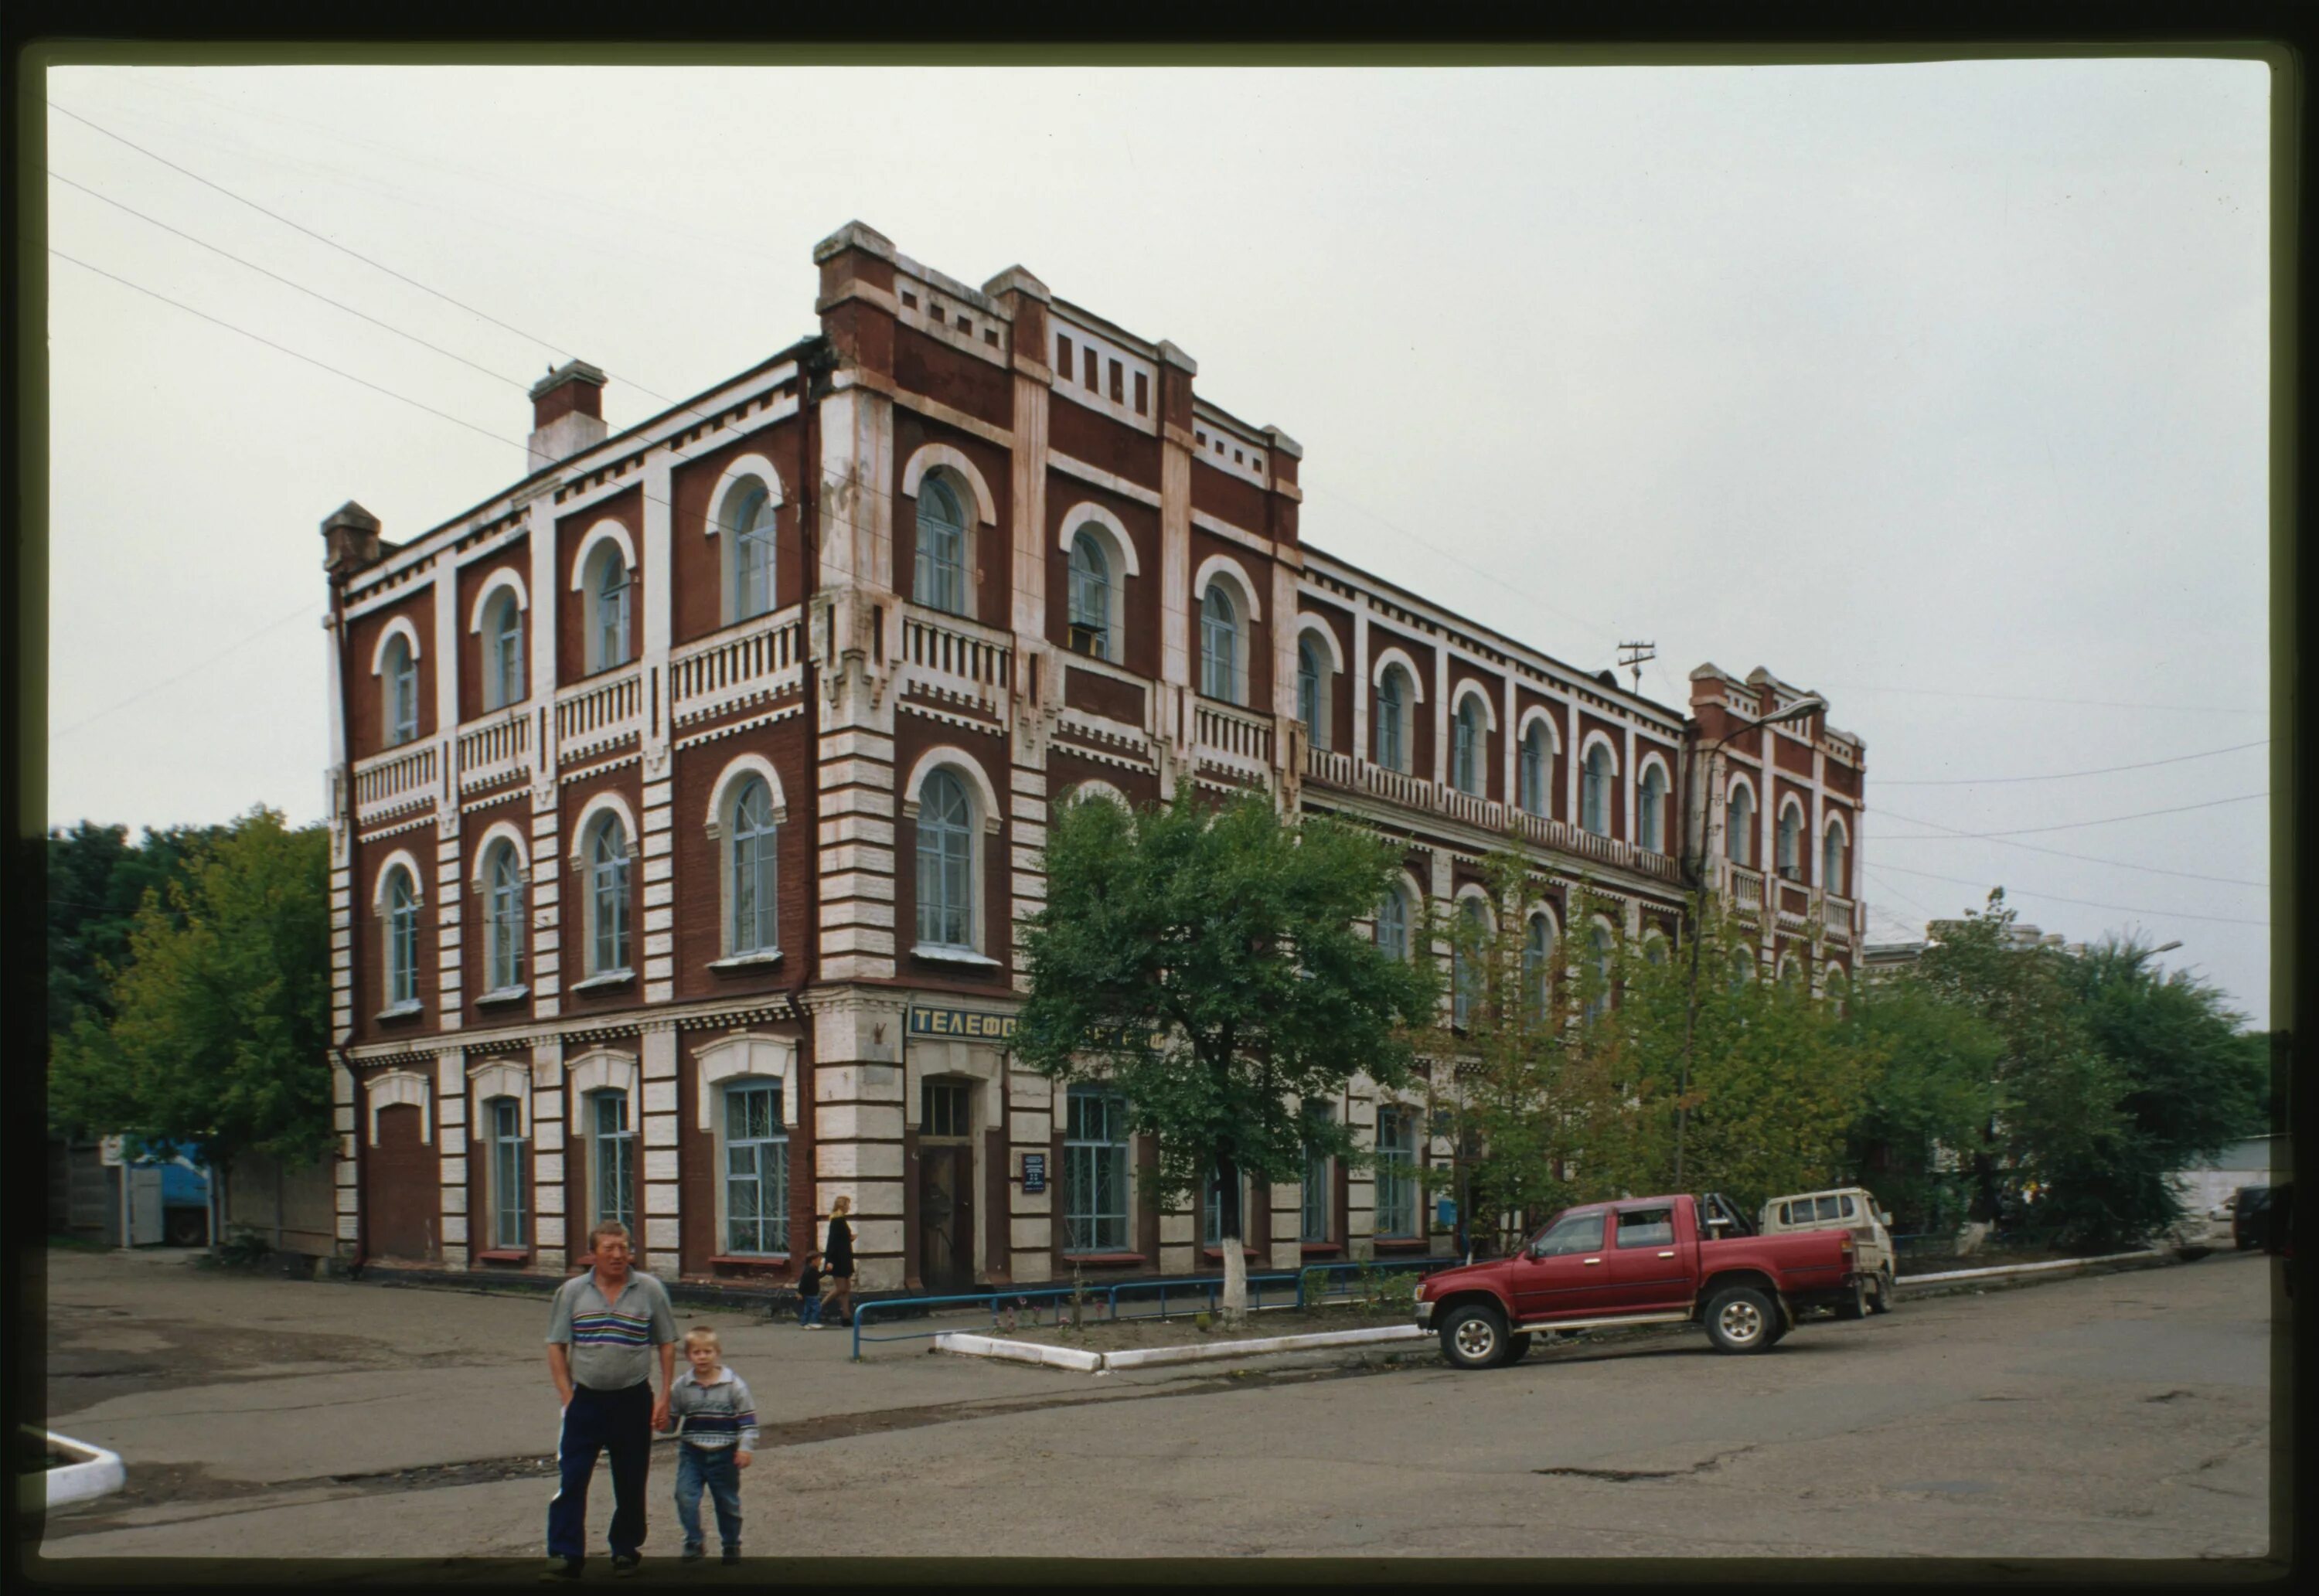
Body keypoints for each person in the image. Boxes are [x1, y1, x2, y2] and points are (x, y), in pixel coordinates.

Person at [543, 1220, 679, 1581]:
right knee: (572, 1478)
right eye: (609, 1249)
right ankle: (565, 1554)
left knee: (631, 1480)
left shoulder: (649, 1290)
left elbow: (666, 1343)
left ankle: (625, 1549)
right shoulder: (572, 1292)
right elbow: (556, 1345)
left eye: (624, 1248)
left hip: (634, 1399)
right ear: (594, 1254)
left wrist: (664, 1396)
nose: (618, 1255)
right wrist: (568, 1397)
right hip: (585, 1400)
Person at [662, 1325, 757, 1564]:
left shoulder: (734, 1385)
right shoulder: (682, 1387)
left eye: (707, 1352)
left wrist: (745, 1448)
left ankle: (731, 1544)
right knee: (685, 1497)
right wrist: (660, 1421)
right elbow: (671, 1423)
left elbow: (748, 1422)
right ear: (688, 1356)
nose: (702, 1357)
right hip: (692, 1453)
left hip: (725, 1454)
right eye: (696, 1352)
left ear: (717, 1353)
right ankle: (694, 1541)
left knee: (727, 1503)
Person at [821, 1196, 855, 1329]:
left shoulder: (841, 1219)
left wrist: (849, 1238)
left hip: (845, 1258)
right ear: (842, 1206)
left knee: (847, 1289)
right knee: (841, 1288)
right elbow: (832, 1242)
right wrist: (829, 1260)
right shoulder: (837, 1220)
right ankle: (818, 1308)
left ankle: (846, 1317)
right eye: (848, 1205)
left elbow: (841, 1239)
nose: (849, 1207)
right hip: (838, 1260)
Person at [794, 1251, 826, 1329]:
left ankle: (804, 1323)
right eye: (819, 1260)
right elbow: (803, 1282)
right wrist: (800, 1292)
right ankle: (813, 1322)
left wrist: (800, 1292)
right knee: (816, 1308)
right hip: (811, 1294)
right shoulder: (810, 1270)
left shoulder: (811, 1269)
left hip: (809, 1293)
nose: (820, 1262)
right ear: (813, 1261)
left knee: (807, 1309)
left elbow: (818, 1276)